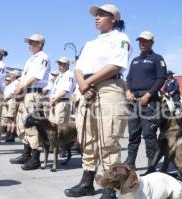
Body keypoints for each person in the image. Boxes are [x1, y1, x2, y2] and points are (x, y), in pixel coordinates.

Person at [64, 4, 130, 199]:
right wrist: (83, 84)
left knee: (108, 139)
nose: (97, 17)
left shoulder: (121, 39)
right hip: (87, 89)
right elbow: (78, 68)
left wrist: (88, 83)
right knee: (87, 138)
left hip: (109, 88)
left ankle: (110, 188)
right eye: (96, 15)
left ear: (114, 19)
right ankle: (87, 182)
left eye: (102, 15)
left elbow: (117, 64)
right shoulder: (90, 43)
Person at [124, 31, 167, 173]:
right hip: (133, 100)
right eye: (140, 41)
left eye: (145, 41)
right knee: (133, 133)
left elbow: (161, 79)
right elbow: (129, 78)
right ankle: (130, 161)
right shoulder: (135, 60)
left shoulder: (157, 59)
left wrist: (148, 94)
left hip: (148, 101)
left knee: (149, 134)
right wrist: (128, 91)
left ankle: (151, 164)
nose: (142, 43)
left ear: (152, 43)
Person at [10, 33, 50, 171]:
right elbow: (25, 77)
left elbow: (35, 77)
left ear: (40, 44)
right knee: (22, 124)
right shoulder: (31, 59)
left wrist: (21, 88)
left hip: (34, 93)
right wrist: (20, 90)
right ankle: (26, 153)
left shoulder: (42, 57)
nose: (29, 45)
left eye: (33, 42)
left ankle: (35, 157)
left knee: (32, 125)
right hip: (27, 93)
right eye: (29, 42)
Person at [3, 70, 21, 142]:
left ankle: (11, 135)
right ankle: (8, 133)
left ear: (15, 75)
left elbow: (13, 93)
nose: (10, 75)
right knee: (9, 119)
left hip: (11, 100)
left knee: (12, 118)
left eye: (12, 74)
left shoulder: (16, 83)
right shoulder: (11, 83)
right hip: (7, 101)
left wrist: (6, 98)